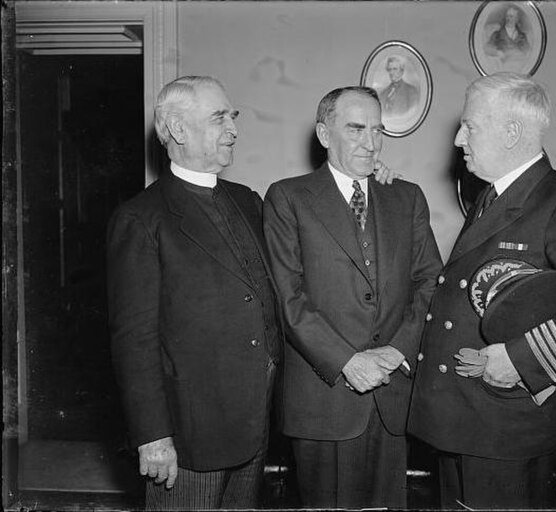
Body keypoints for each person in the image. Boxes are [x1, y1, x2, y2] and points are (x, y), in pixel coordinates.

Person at [408, 72, 556, 509]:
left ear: (511, 132)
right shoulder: (493, 196)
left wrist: (521, 358)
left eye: (470, 126)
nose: (458, 139)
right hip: (470, 421)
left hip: (504, 426)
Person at [107, 76, 281, 509]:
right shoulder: (141, 218)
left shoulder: (247, 200)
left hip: (254, 423)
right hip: (189, 438)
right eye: (219, 117)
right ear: (179, 130)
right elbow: (134, 340)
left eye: (233, 117)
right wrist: (152, 437)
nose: (234, 129)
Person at [263, 86, 442, 508]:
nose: (371, 142)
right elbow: (289, 299)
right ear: (325, 135)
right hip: (325, 403)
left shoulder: (406, 196)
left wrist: (399, 350)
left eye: (378, 130)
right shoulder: (288, 197)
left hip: (393, 396)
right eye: (357, 129)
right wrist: (347, 361)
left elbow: (431, 281)